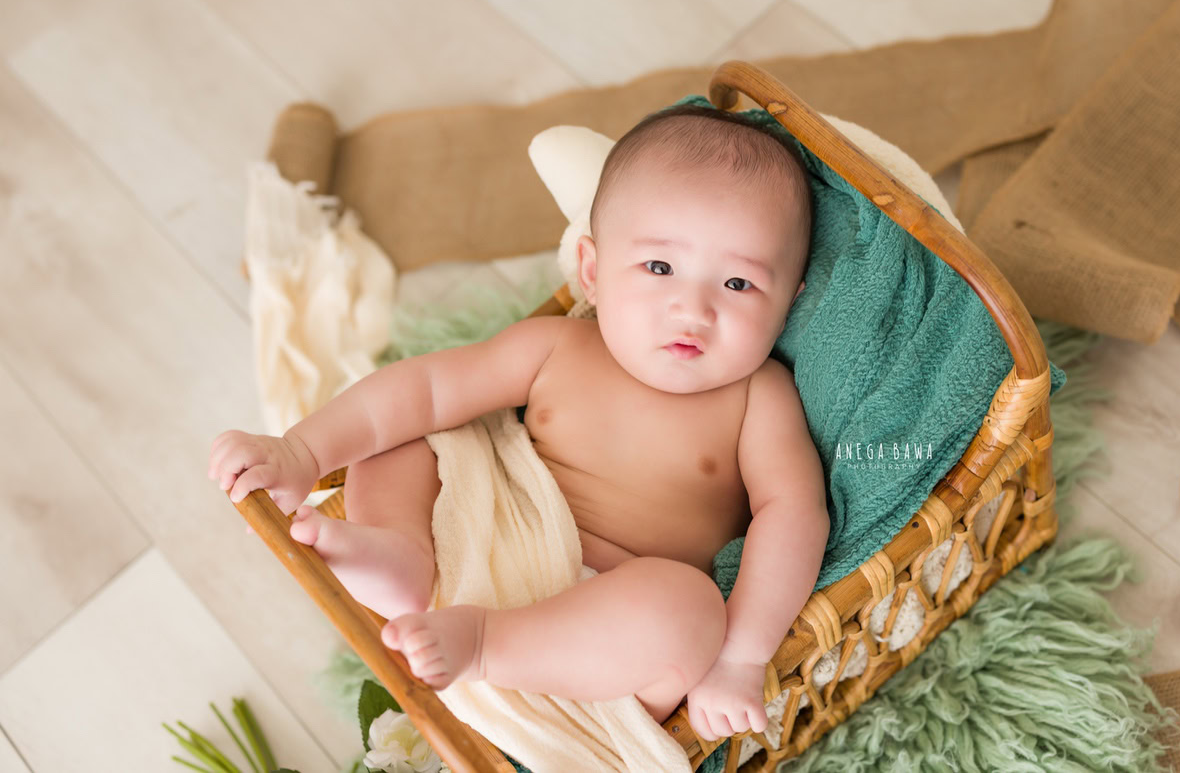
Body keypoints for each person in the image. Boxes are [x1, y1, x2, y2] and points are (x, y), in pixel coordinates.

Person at [207, 103, 830, 742]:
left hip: (601, 636)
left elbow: (793, 514)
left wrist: (741, 657)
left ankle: (487, 644)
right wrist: (302, 452)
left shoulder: (760, 397)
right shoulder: (558, 346)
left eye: (738, 284)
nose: (692, 310)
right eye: (660, 268)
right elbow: (425, 388)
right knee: (410, 426)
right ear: (593, 272)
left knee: (690, 609)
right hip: (476, 549)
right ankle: (400, 554)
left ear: (789, 304)